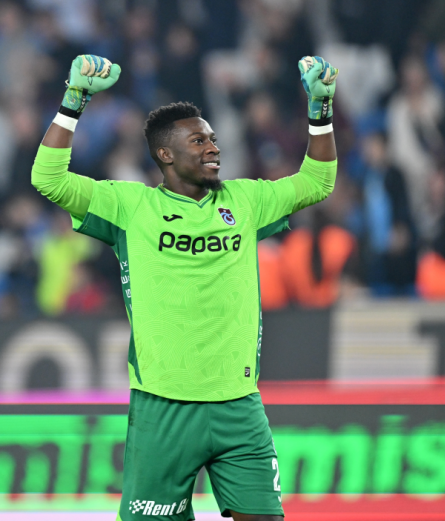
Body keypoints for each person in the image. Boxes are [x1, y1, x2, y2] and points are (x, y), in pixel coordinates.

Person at [32, 53, 339, 521]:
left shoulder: (246, 200)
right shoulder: (129, 206)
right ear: (166, 154)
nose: (213, 147)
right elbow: (48, 178)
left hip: (239, 405)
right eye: (199, 140)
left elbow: (318, 181)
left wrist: (320, 111)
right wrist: (74, 100)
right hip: (163, 409)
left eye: (213, 139)